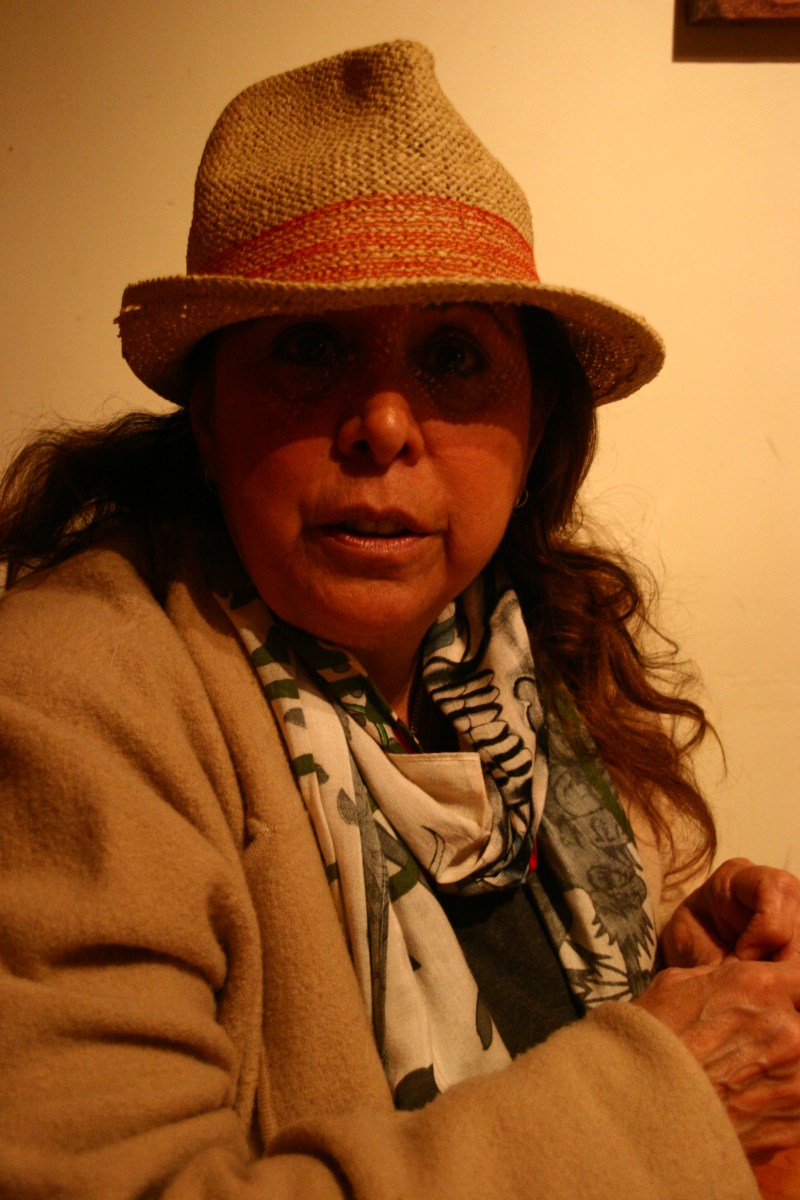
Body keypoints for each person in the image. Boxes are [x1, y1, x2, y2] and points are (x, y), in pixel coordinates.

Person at [1, 38, 799, 1200]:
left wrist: (680, 954)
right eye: (309, 349)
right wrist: (665, 1098)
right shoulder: (67, 702)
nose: (381, 422)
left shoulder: (522, 654)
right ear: (208, 421)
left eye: (453, 356)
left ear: (534, 431)